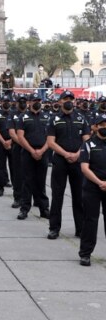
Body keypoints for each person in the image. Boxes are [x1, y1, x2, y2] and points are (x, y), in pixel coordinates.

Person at [46, 90, 90, 239]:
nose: (68, 101)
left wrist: (77, 154)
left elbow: (86, 140)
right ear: (59, 102)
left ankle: (80, 228)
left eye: (70, 99)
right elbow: (51, 142)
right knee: (57, 195)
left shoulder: (81, 118)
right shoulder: (54, 119)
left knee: (79, 196)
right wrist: (66, 154)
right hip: (60, 160)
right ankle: (54, 228)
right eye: (65, 99)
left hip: (77, 161)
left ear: (75, 101)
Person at [16, 93, 51, 220]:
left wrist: (42, 151)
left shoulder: (47, 116)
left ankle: (44, 209)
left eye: (39, 100)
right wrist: (32, 150)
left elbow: (51, 137)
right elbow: (20, 136)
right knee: (27, 181)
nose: (37, 102)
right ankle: (24, 209)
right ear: (29, 102)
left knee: (41, 182)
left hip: (43, 152)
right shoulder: (23, 117)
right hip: (27, 152)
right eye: (34, 100)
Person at [78, 113, 106, 266]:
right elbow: (84, 168)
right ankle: (85, 253)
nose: (104, 128)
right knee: (90, 220)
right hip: (92, 187)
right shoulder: (88, 144)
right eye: (102, 125)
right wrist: (100, 182)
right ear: (95, 127)